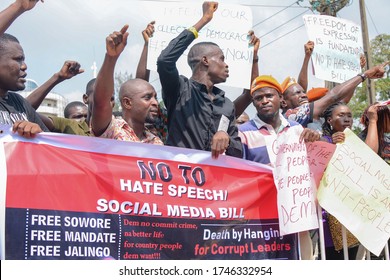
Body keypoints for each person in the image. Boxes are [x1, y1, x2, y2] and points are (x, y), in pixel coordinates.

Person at [157, 1, 260, 159]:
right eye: (221, 59)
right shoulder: (180, 90)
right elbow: (165, 61)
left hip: (213, 180)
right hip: (179, 177)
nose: (226, 65)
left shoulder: (226, 105)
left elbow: (238, 151)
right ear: (205, 61)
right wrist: (204, 20)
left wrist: (226, 140)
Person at [238, 75, 320, 260]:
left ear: (281, 99)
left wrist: (315, 140)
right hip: (261, 220)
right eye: (258, 98)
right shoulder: (243, 133)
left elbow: (312, 167)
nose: (264, 101)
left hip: (296, 217)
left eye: (269, 95)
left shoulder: (297, 129)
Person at [92, 25, 162, 145]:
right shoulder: (112, 129)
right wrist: (111, 57)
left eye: (155, 97)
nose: (155, 102)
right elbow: (101, 103)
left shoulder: (156, 142)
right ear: (127, 103)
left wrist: (148, 45)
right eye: (148, 97)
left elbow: (140, 84)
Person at [282, 62, 388, 129]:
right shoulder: (292, 115)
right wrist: (364, 75)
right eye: (297, 93)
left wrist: (357, 77)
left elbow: (343, 100)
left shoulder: (313, 116)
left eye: (303, 92)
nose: (304, 95)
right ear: (283, 102)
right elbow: (334, 96)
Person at [320, 101, 361, 260]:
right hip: (330, 215)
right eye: (341, 115)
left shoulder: (356, 143)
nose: (347, 119)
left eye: (349, 116)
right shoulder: (323, 141)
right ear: (329, 120)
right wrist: (332, 145)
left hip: (353, 212)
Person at [0, 33, 48, 134]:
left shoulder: (20, 102)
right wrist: (15, 15)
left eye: (23, 60)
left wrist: (37, 134)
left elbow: (48, 145)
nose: (24, 66)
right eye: (18, 59)